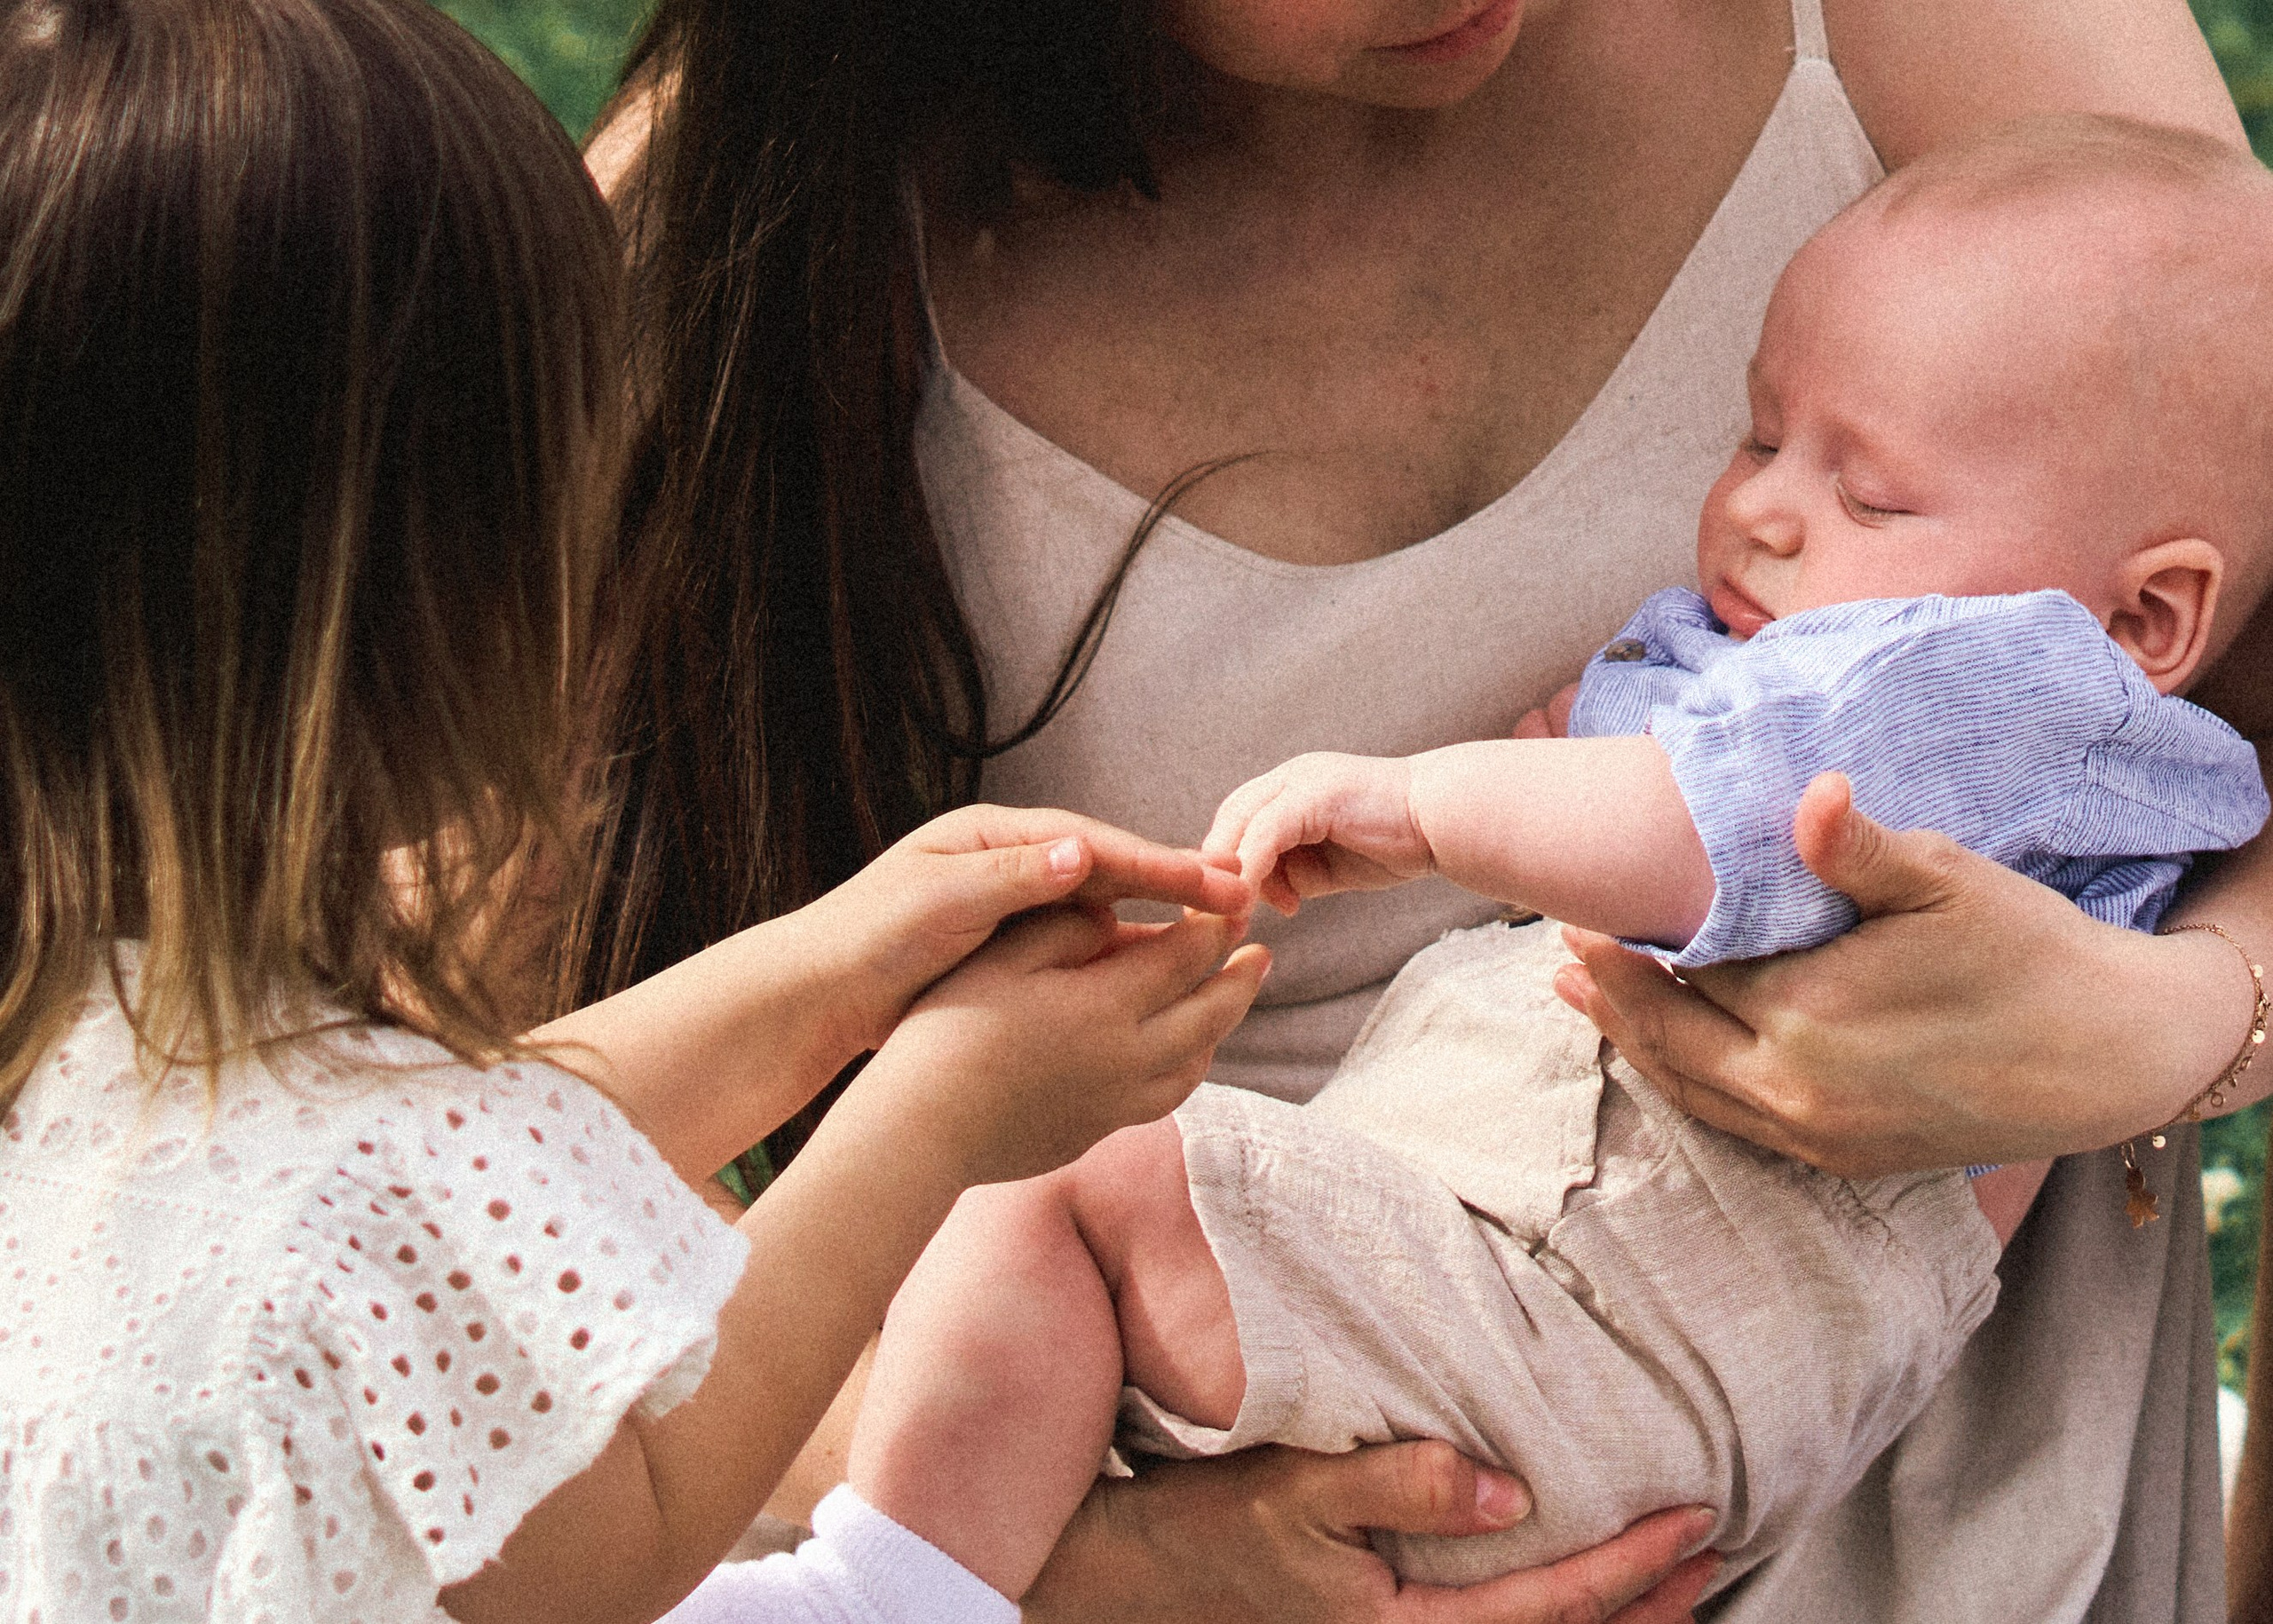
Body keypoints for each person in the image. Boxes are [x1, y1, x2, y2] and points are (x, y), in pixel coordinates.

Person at [587, 0, 2267, 1617]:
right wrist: (1082, 1568)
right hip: (1228, 1390)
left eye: (1867, 487)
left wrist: (2184, 1011)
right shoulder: (732, 223)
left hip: (1975, 1532)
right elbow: (413, 1118)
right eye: (1756, 435)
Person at [0, 4, 1264, 1621]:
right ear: (370, 606)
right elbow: (620, 1539)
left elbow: (457, 1149)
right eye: (555, 495)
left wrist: (835, 970)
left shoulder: (90, 1026)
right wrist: (939, 1106)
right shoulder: (338, 1226)